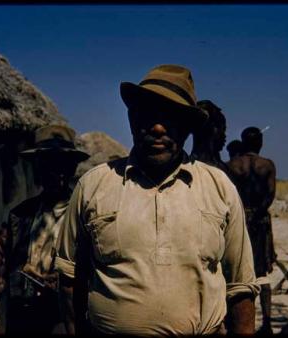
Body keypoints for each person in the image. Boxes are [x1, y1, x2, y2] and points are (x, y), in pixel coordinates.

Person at [54, 64, 260, 335]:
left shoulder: (218, 187)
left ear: (187, 128)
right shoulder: (94, 185)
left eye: (171, 117)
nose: (159, 127)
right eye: (147, 115)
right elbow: (70, 277)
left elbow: (240, 287)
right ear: (132, 120)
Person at [0, 125, 89, 335]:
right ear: (37, 169)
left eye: (62, 165)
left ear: (72, 168)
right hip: (23, 316)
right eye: (46, 164)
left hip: (63, 317)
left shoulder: (85, 214)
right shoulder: (20, 215)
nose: (55, 172)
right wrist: (2, 323)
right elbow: (11, 272)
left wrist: (63, 280)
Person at [227, 126, 277, 335]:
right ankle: (266, 322)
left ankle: (239, 323)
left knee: (238, 272)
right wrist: (258, 213)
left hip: (239, 219)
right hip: (260, 221)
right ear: (260, 142)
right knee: (262, 272)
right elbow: (270, 194)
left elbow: (230, 195)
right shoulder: (267, 165)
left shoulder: (232, 165)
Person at [190, 99, 230, 174]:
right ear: (215, 130)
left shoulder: (183, 166)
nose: (224, 136)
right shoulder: (221, 171)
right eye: (223, 129)